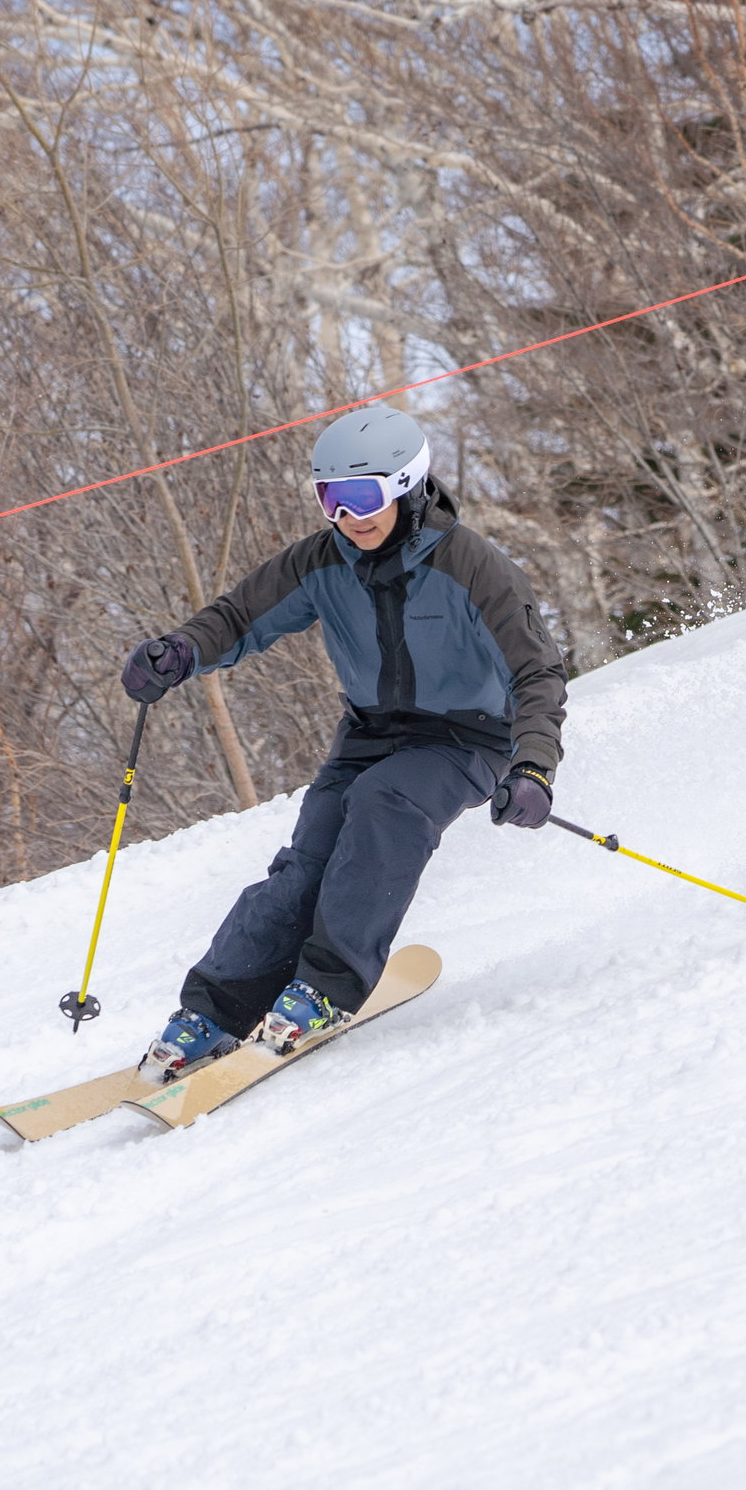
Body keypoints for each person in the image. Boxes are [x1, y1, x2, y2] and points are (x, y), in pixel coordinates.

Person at [121, 405, 567, 1076]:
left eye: (363, 496)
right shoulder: (322, 561)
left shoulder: (475, 568)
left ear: (407, 485)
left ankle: (325, 991)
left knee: (385, 806)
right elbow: (243, 615)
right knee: (309, 858)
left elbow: (537, 673)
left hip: (468, 740)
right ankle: (213, 1011)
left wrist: (533, 767)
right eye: (331, 499)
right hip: (369, 733)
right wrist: (181, 651)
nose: (349, 517)